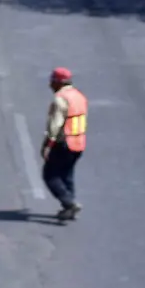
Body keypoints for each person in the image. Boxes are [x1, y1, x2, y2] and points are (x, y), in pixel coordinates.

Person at [39, 67, 88, 221]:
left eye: (52, 82)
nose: (50, 85)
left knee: (50, 175)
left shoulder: (60, 99)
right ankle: (70, 208)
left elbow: (54, 126)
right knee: (67, 175)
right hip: (79, 142)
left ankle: (69, 204)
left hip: (64, 143)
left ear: (58, 82)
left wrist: (47, 145)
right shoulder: (79, 96)